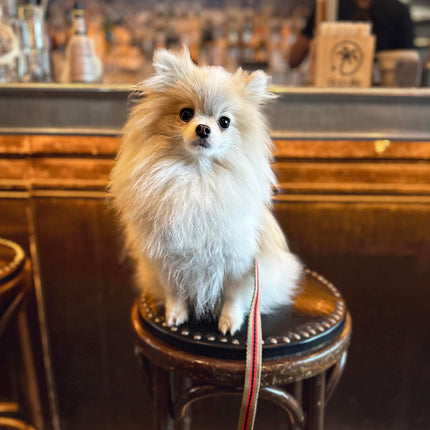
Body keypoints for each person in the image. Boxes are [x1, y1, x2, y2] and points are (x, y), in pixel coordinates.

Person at [289, 0, 415, 68]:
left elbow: (407, 61)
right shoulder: (328, 6)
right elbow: (294, 59)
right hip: (333, 91)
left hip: (382, 95)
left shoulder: (398, 11)